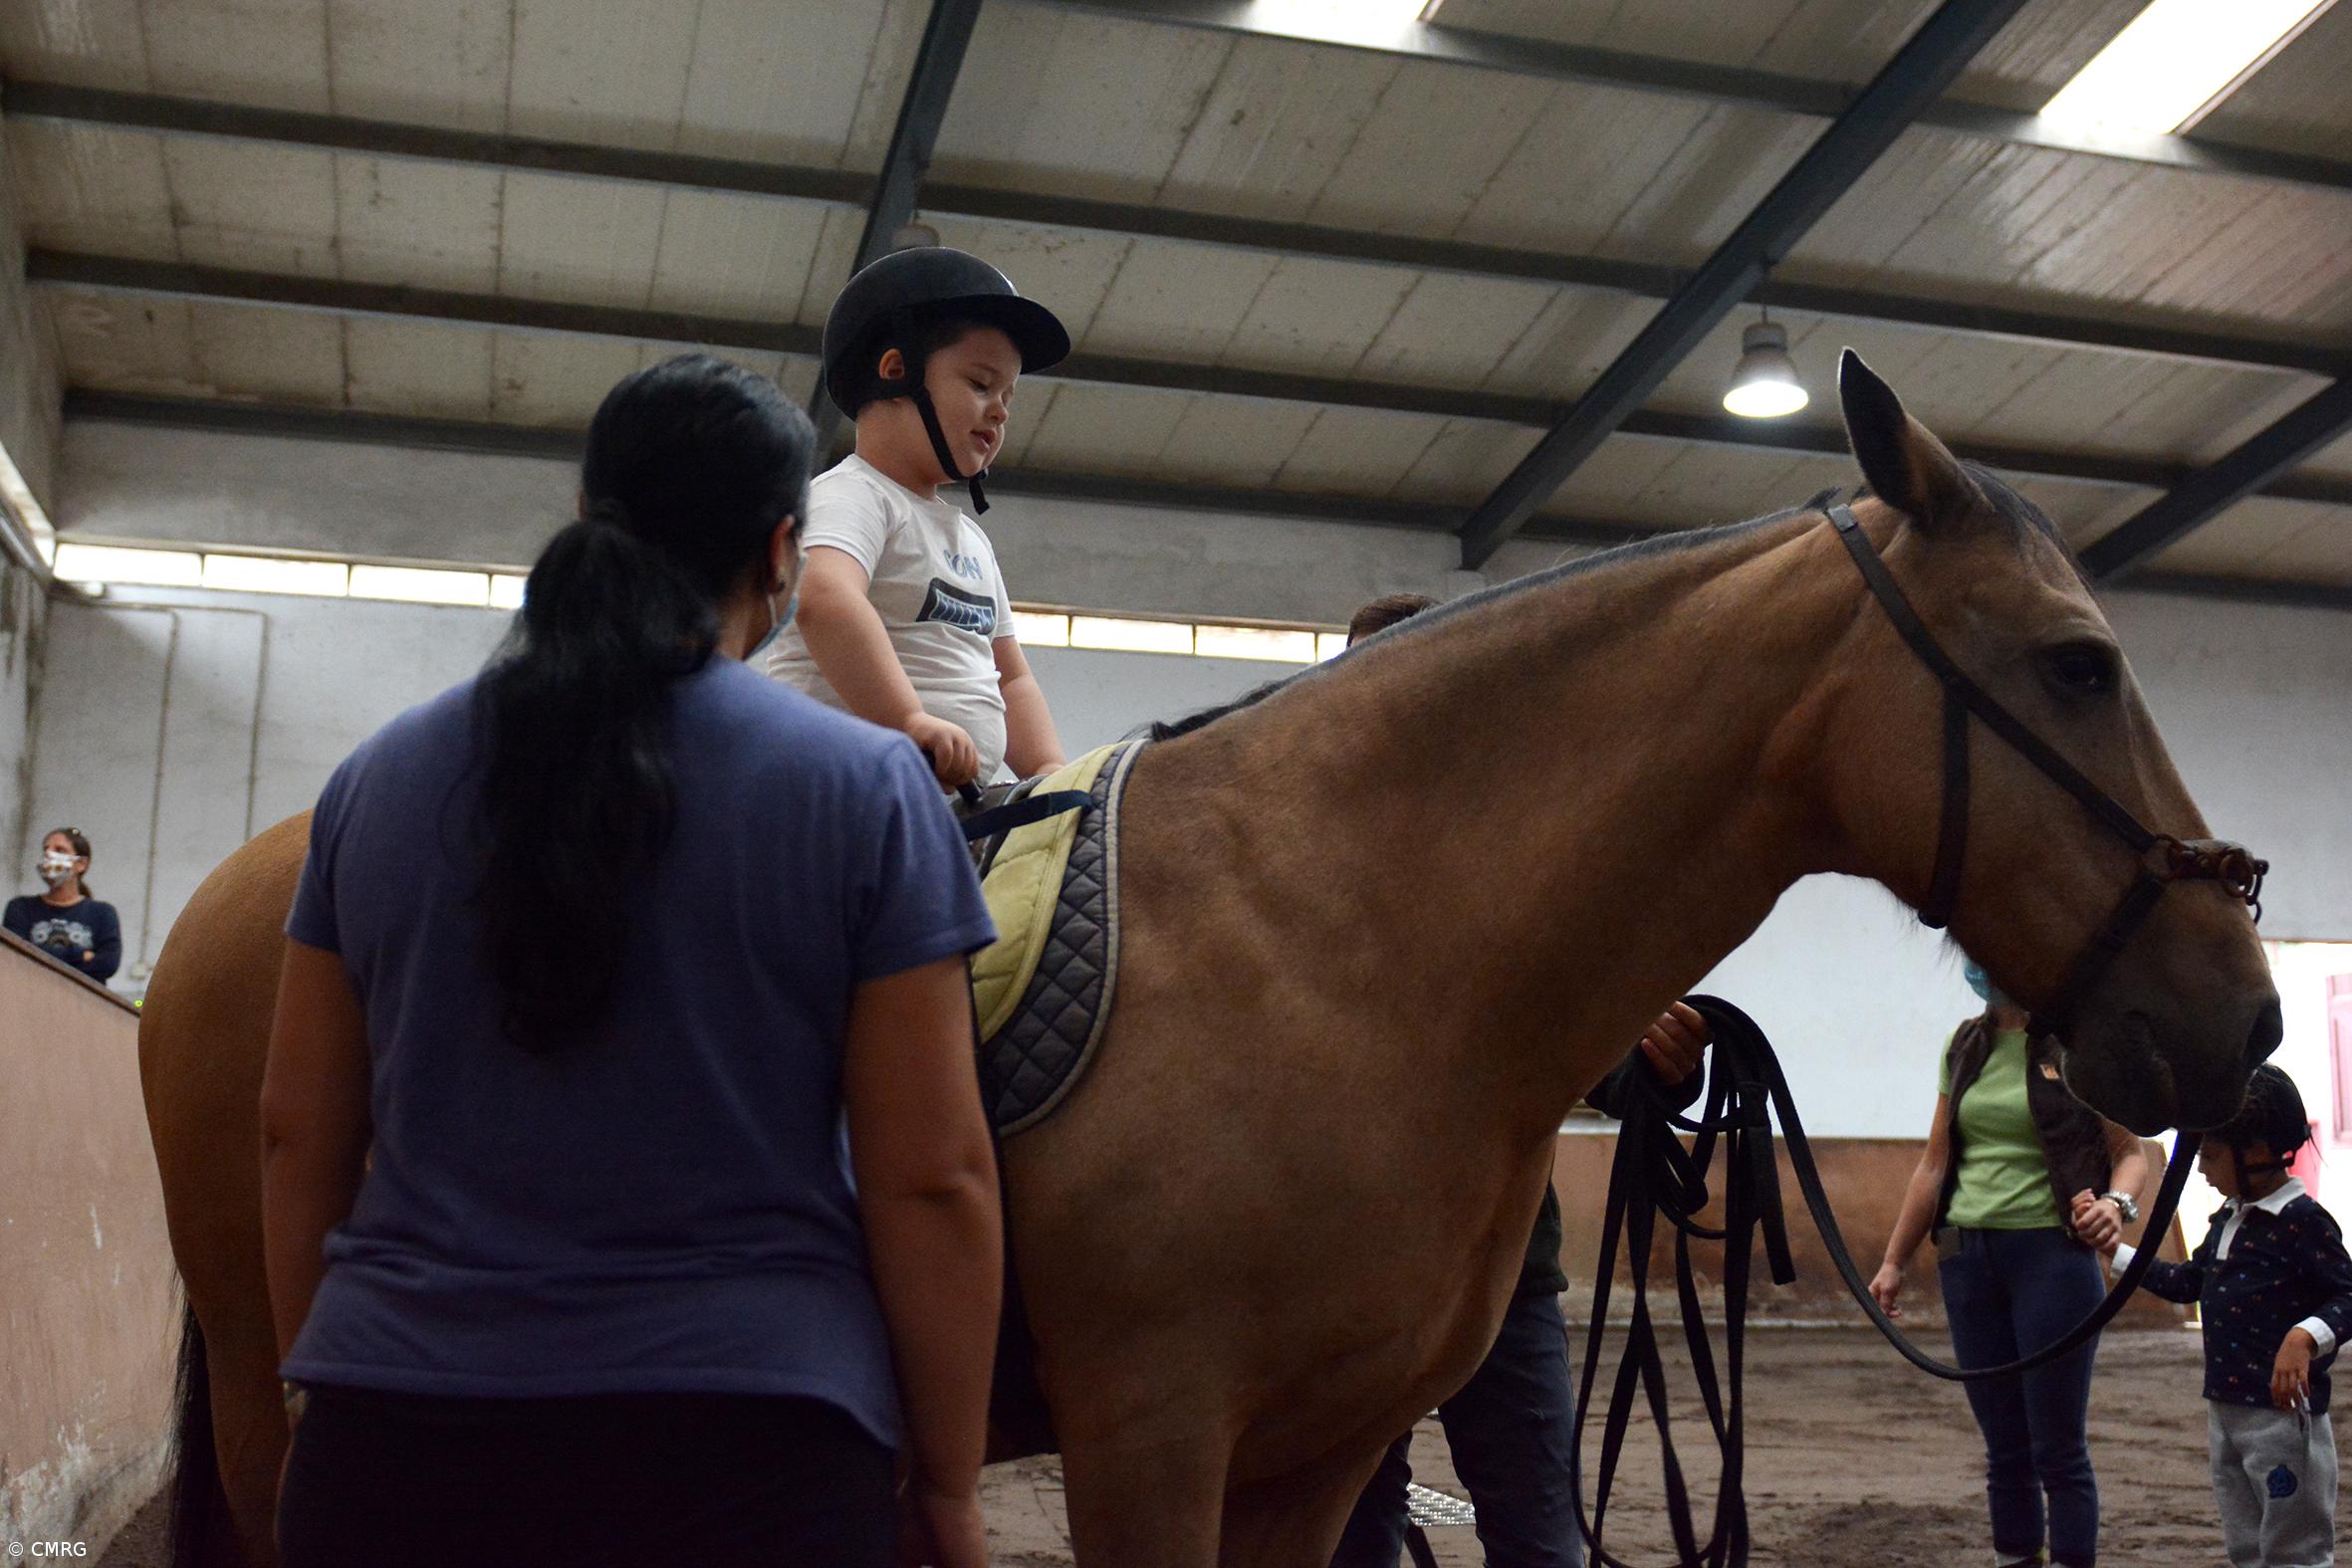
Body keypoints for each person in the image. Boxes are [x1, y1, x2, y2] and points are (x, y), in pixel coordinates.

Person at [260, 355, 1003, 1568]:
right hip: (751, 1454)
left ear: (584, 517)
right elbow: (932, 1180)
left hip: (395, 1441)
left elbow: (297, 1133)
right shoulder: (868, 792)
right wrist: (954, 1486)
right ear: (780, 550)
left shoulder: (375, 781)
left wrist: (321, 1389)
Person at [1329, 590, 1713, 1568]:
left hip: (1498, 1276)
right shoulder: (1308, 878)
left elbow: (1595, 1051)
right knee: (1349, 1540)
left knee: (1540, 1543)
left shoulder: (1527, 877)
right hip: (1340, 1282)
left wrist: (1657, 1063)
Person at [1870, 963, 2152, 1568]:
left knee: (2059, 1449)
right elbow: (1933, 1165)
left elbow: (2131, 1153)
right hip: (1967, 1260)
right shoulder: (1963, 1045)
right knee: (2004, 1450)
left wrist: (2115, 1204)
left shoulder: (2079, 1045)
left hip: (2053, 1257)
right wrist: (1893, 1260)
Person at [770, 246, 1070, 791]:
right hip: (838, 788)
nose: (1001, 410)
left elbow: (1010, 678)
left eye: (1008, 396)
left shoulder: (970, 540)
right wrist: (907, 720)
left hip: (933, 801)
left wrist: (1050, 770)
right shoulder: (853, 495)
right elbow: (823, 597)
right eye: (980, 384)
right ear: (895, 371)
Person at [2085, 1065, 2352, 1568]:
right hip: (2226, 1411)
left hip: (2282, 1418)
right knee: (2245, 1544)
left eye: (2209, 1154)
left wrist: (2304, 1337)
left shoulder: (2303, 1222)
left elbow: (2347, 1296)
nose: (2201, 1169)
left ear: (2257, 1151)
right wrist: (2114, 1251)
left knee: (2294, 1549)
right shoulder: (2230, 1217)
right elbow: (2189, 1282)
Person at [5, 827, 121, 982]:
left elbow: (108, 964)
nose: (49, 855)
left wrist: (38, 953)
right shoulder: (20, 907)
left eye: (60, 850)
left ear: (81, 864)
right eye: (46, 850)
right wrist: (81, 955)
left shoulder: (102, 913)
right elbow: (14, 956)